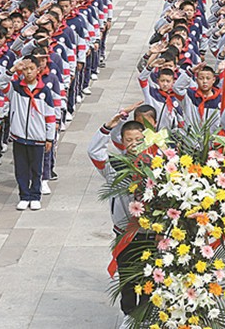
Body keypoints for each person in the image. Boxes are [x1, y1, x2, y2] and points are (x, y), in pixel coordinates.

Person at [88, 115, 150, 329]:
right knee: (127, 275)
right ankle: (129, 313)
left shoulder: (158, 164)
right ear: (122, 141)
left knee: (150, 275)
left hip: (152, 233)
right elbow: (94, 151)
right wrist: (107, 127)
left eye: (138, 139)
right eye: (129, 140)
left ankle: (146, 313)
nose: (133, 144)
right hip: (125, 232)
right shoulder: (114, 165)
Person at [0, 58, 57, 210]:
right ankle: (24, 195)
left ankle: (35, 195)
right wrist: (12, 69)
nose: (28, 72)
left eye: (31, 68)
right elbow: (1, 83)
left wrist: (49, 138)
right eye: (25, 69)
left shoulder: (44, 91)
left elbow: (50, 116)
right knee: (21, 169)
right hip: (19, 137)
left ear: (38, 70)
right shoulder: (16, 88)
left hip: (38, 138)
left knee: (36, 169)